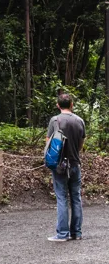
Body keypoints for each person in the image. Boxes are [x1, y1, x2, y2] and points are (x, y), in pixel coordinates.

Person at [46, 93, 86, 242]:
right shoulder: (80, 121)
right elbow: (81, 143)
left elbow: (48, 142)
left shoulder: (55, 120)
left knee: (62, 198)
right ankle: (76, 232)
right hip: (75, 163)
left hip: (59, 165)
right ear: (72, 105)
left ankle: (62, 234)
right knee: (76, 197)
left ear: (58, 105)